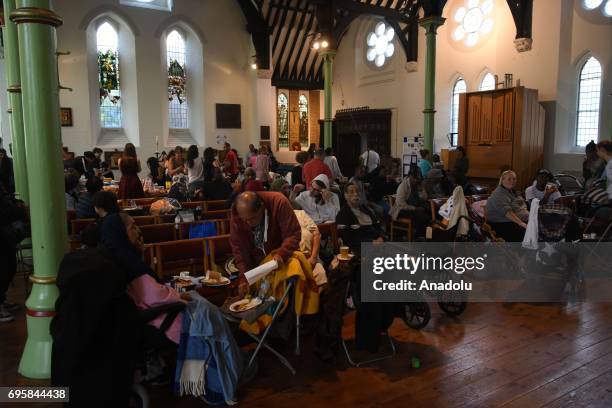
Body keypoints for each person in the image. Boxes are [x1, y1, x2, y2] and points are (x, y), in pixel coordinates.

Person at [229, 191, 301, 295]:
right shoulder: (237, 214)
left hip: (280, 259)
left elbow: (293, 234)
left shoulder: (278, 202)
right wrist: (244, 277)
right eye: (244, 219)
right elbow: (239, 249)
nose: (248, 223)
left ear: (262, 207)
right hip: (256, 267)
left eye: (252, 218)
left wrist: (282, 253)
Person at [0, 186, 26, 322]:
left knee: (9, 267)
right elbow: (5, 210)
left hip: (5, 234)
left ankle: (2, 300)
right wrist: (20, 210)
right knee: (3, 270)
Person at [486, 170, 529, 242]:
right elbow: (507, 212)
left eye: (514, 179)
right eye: (509, 179)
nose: (512, 181)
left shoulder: (511, 191)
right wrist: (522, 224)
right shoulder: (499, 193)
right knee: (527, 232)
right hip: (500, 225)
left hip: (512, 221)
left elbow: (520, 206)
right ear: (502, 180)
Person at [389, 165, 431, 238]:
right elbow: (401, 204)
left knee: (429, 211)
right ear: (410, 176)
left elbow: (425, 198)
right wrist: (415, 208)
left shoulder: (418, 184)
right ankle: (419, 236)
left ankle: (427, 236)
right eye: (414, 178)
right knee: (422, 216)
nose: (415, 180)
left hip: (414, 207)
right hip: (401, 210)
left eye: (417, 179)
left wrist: (422, 189)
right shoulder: (403, 186)